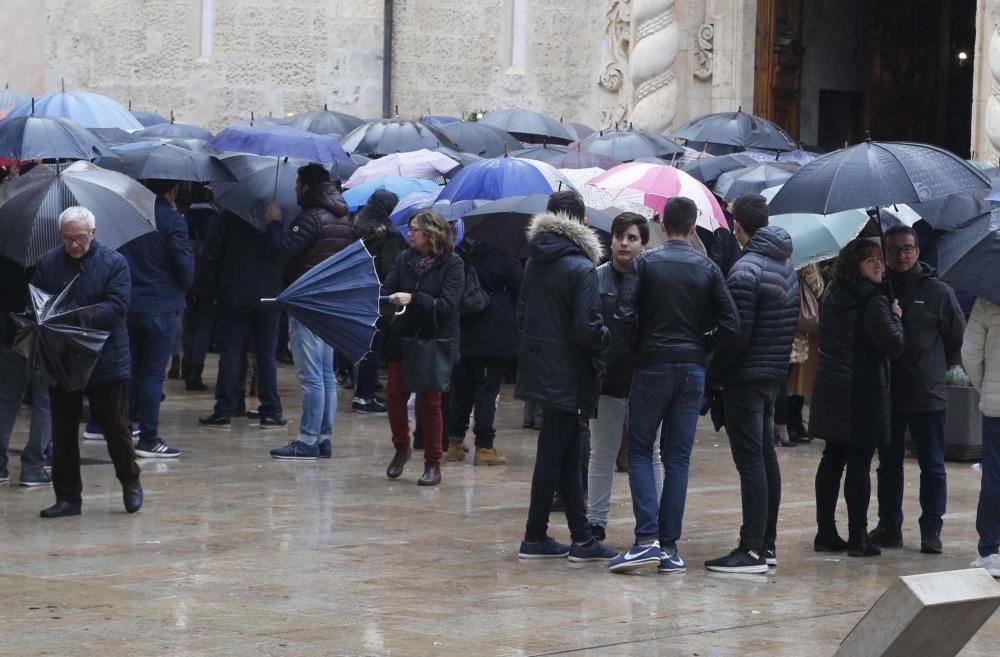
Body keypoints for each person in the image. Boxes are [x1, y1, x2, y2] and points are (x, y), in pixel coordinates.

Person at [610, 199, 740, 573]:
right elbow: (731, 324)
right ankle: (669, 546)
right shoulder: (708, 267)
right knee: (677, 457)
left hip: (653, 364)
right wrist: (703, 346)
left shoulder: (646, 263)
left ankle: (646, 539)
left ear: (662, 225)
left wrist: (640, 346)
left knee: (639, 450)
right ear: (695, 225)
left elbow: (622, 314)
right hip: (692, 368)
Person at [515, 191, 617, 562]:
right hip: (569, 371)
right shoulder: (581, 267)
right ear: (581, 222)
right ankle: (534, 534)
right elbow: (587, 328)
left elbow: (522, 314)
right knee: (553, 454)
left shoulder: (535, 260)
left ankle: (582, 538)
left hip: (542, 367)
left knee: (568, 451)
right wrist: (609, 339)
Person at [705, 194, 799, 574]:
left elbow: (736, 335)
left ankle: (752, 548)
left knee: (751, 463)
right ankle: (767, 544)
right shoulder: (784, 263)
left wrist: (715, 374)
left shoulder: (746, 269)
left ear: (738, 226)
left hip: (746, 376)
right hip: (772, 373)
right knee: (764, 457)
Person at [33, 207, 142, 517]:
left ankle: (130, 479)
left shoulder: (114, 263)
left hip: (104, 357)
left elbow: (117, 307)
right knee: (63, 430)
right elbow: (38, 300)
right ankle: (67, 497)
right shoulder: (49, 262)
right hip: (63, 358)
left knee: (115, 427)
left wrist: (76, 316)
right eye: (68, 239)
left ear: (93, 234)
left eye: (80, 238)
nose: (74, 245)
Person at [870, 225, 966, 554]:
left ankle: (931, 530)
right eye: (894, 250)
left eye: (908, 248)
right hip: (887, 391)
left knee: (933, 466)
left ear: (917, 251)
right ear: (885, 253)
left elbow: (957, 339)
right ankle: (889, 526)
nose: (902, 255)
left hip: (927, 392)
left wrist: (936, 368)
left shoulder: (939, 292)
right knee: (888, 466)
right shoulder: (877, 289)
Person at [809, 239, 905, 557]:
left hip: (832, 386)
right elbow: (894, 346)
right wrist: (896, 316)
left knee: (832, 458)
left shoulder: (834, 293)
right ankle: (858, 537)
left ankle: (825, 531)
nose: (879, 265)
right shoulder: (874, 301)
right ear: (855, 265)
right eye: (870, 260)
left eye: (880, 259)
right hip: (862, 391)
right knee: (859, 463)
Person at [264, 163, 350, 459]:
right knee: (326, 374)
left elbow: (284, 249)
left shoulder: (311, 218)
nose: (295, 188)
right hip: (330, 304)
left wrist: (274, 223)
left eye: (297, 182)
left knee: (312, 376)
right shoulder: (341, 216)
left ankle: (308, 439)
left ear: (306, 185)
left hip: (308, 303)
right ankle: (323, 437)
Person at [382, 210, 464, 486]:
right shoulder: (404, 259)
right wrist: (392, 301)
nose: (409, 234)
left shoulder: (453, 264)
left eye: (414, 229)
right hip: (402, 339)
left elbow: (447, 305)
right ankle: (401, 448)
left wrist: (415, 299)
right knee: (394, 399)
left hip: (433, 341)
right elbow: (388, 287)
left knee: (430, 405)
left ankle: (433, 463)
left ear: (431, 233)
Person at [585, 212, 651, 543]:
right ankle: (595, 522)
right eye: (619, 236)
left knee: (650, 454)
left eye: (632, 237)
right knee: (602, 452)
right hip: (606, 380)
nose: (624, 243)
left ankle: (652, 523)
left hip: (646, 381)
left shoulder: (654, 280)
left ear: (644, 243)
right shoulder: (595, 279)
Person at [119, 179, 194, 458]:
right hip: (161, 305)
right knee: (151, 374)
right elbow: (184, 265)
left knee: (130, 370)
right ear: (172, 190)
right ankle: (149, 437)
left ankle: (124, 427)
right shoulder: (171, 220)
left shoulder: (124, 218)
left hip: (128, 304)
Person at [198, 208, 286, 430]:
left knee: (230, 352)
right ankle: (270, 410)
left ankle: (225, 409)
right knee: (266, 354)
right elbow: (284, 251)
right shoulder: (275, 216)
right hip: (268, 295)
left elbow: (210, 255)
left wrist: (212, 292)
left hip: (232, 294)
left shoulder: (227, 217)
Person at [445, 236, 522, 465]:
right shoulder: (503, 259)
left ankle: (455, 444)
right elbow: (523, 287)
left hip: (462, 335)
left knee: (462, 390)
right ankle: (484, 448)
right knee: (487, 392)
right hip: (493, 338)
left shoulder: (459, 256)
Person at [351, 189, 404, 413]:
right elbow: (390, 269)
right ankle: (365, 397)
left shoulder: (358, 226)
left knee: (364, 347)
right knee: (373, 348)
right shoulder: (388, 236)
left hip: (359, 293)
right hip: (380, 297)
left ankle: (361, 392)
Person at [0, 256, 52, 486]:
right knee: (45, 402)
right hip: (46, 336)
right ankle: (33, 467)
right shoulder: (56, 258)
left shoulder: (7, 251)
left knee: (7, 401)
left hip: (11, 334)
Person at [963, 297, 1000, 576]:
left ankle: (990, 551)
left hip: (997, 406)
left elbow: (971, 354)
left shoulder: (988, 297)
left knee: (994, 476)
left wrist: (984, 388)